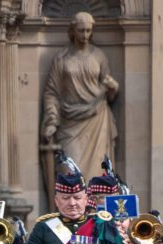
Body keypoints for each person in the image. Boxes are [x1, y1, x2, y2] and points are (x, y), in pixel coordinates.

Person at [41, 12, 118, 181]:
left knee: (97, 173)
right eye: (81, 30)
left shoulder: (99, 56)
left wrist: (113, 88)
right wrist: (52, 120)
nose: (85, 35)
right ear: (72, 31)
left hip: (97, 119)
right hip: (69, 122)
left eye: (88, 31)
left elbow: (109, 89)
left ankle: (96, 207)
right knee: (70, 171)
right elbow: (52, 92)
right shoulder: (61, 59)